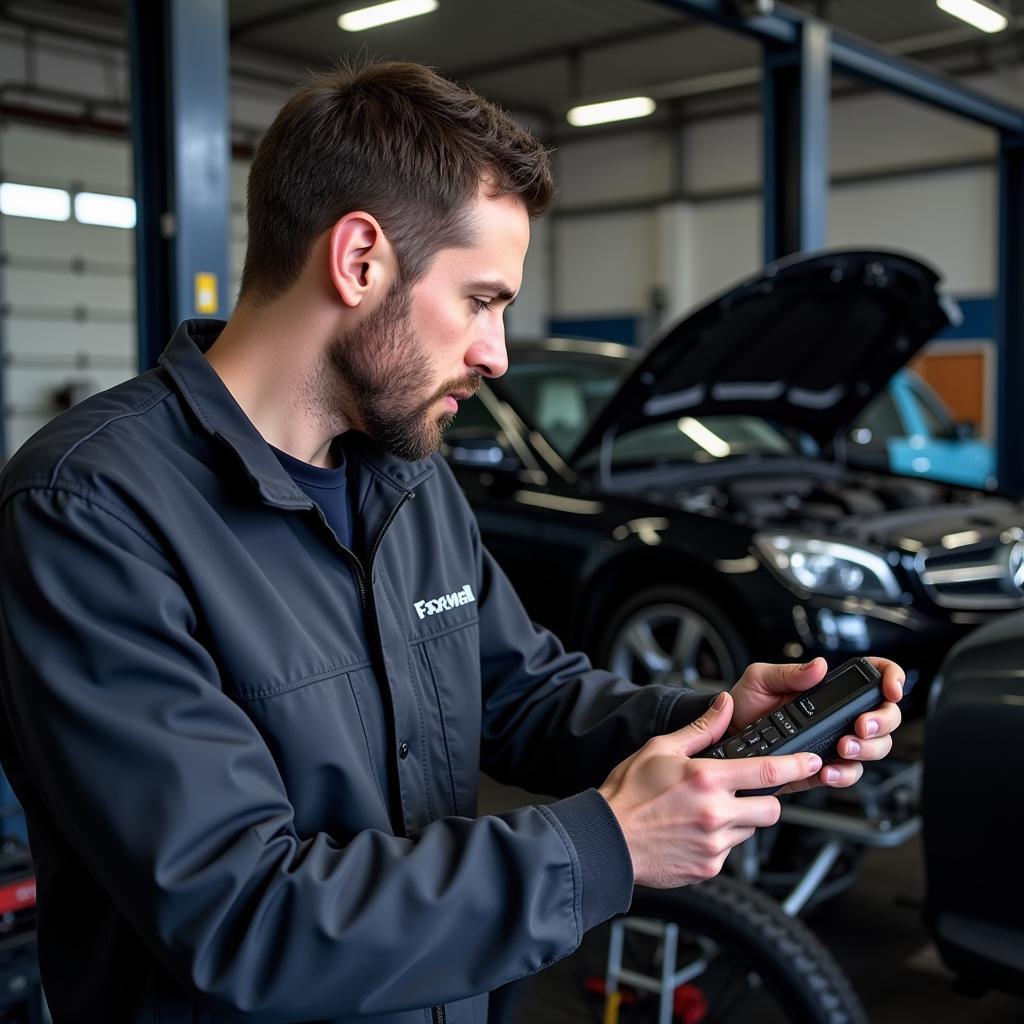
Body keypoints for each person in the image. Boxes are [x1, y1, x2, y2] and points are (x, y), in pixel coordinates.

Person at [0, 60, 903, 1024]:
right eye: (481, 300)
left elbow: (517, 690)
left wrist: (715, 720)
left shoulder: (405, 475)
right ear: (358, 261)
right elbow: (240, 915)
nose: (497, 353)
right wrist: (604, 843)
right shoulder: (89, 511)